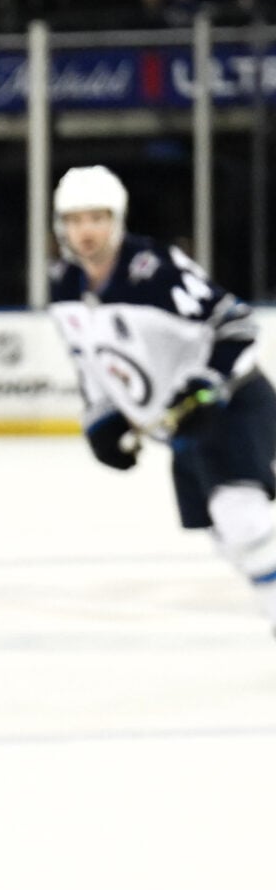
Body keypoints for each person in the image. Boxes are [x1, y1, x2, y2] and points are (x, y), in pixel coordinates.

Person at [48, 166, 272, 632]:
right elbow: (90, 363)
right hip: (182, 426)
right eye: (74, 219)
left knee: (244, 522)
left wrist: (204, 382)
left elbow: (237, 324)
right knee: (225, 538)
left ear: (117, 220)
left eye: (96, 218)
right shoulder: (65, 286)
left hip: (233, 404)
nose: (85, 231)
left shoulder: (154, 269)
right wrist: (101, 421)